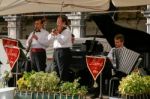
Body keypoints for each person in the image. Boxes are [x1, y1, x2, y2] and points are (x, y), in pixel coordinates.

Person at [48, 15, 72, 81]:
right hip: (56, 51)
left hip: (63, 51)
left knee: (62, 70)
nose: (57, 23)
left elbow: (62, 41)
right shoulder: (57, 30)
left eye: (59, 21)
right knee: (55, 69)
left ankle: (63, 86)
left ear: (64, 23)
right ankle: (56, 85)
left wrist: (57, 34)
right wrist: (52, 34)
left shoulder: (67, 31)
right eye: (57, 21)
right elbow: (48, 39)